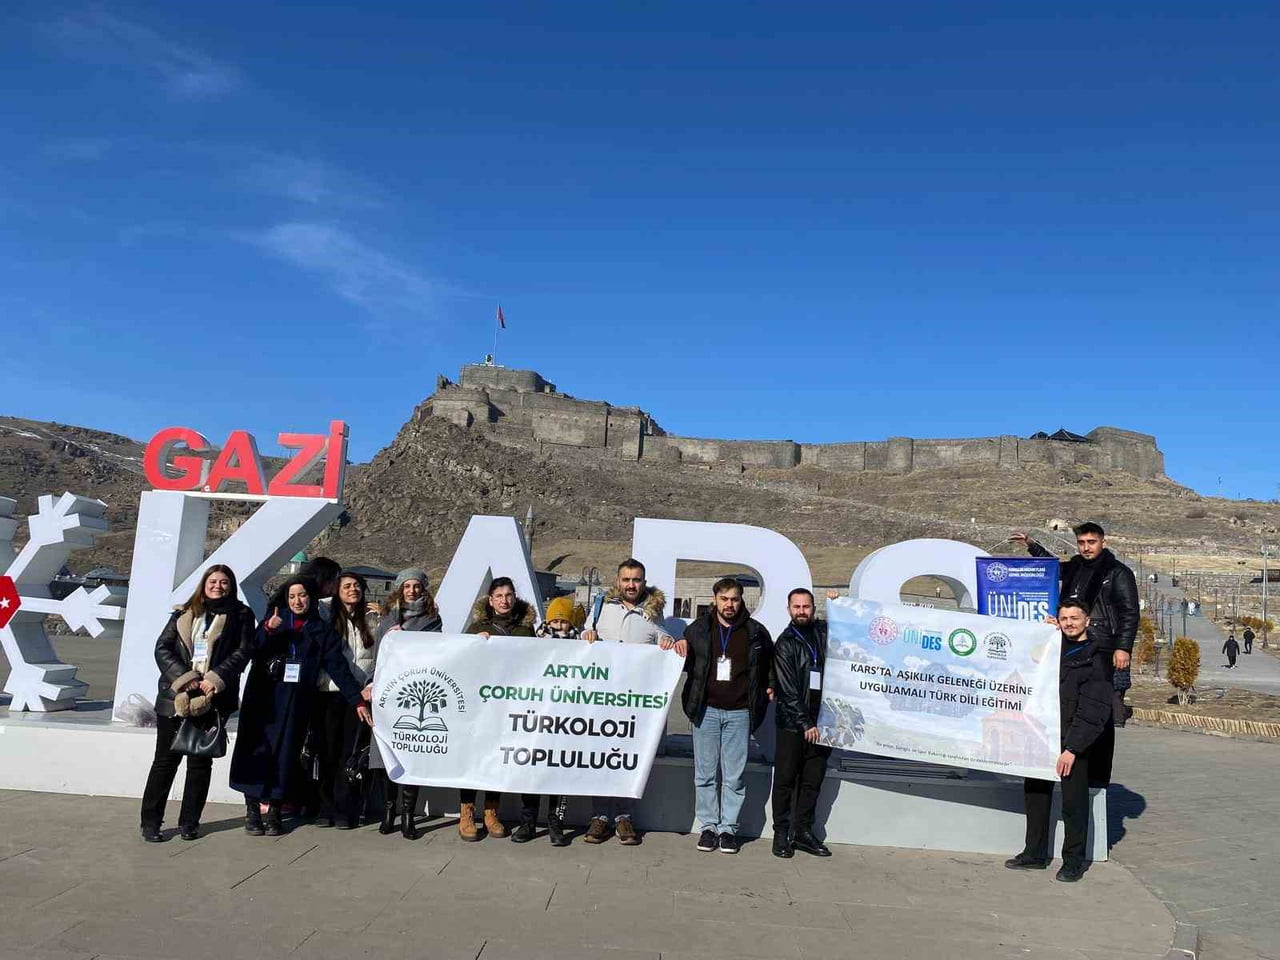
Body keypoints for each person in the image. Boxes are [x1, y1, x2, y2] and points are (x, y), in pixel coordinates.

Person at [230, 576, 371, 836]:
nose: (298, 601)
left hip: (295, 705)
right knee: (256, 753)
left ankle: (274, 810)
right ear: (286, 598)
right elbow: (252, 649)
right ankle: (252, 809)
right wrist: (268, 630)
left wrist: (357, 700)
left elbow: (338, 668)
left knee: (285, 756)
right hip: (265, 702)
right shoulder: (275, 620)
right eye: (293, 596)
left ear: (311, 598)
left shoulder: (320, 629)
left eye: (303, 595)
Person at [1012, 523, 1138, 780]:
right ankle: (1069, 762)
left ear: (1102, 541)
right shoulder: (1076, 567)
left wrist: (1123, 647)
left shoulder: (1117, 572)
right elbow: (1053, 567)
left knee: (1099, 710)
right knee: (1071, 704)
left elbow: (1129, 612)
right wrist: (1032, 546)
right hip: (1071, 644)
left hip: (1103, 646)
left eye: (1091, 542)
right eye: (1081, 542)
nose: (1086, 547)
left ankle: (1098, 778)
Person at [139, 564, 255, 842]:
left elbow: (244, 650)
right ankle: (151, 822)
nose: (218, 586)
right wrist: (185, 677)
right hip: (174, 697)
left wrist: (216, 677)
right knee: (165, 762)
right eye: (213, 581)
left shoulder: (241, 615)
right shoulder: (183, 613)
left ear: (232, 586)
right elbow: (162, 648)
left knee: (200, 763)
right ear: (204, 584)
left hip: (212, 698)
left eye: (224, 582)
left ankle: (190, 822)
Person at [1005, 601, 1113, 882]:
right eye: (1064, 618)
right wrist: (1044, 636)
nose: (1069, 623)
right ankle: (1034, 853)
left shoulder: (1096, 658)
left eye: (1074, 618)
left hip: (1072, 743)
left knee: (1074, 804)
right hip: (1043, 736)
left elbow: (1094, 711)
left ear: (1087, 621)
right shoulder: (1056, 647)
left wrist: (1072, 749)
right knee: (1036, 796)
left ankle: (1073, 861)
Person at [580, 559, 684, 845]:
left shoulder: (652, 612)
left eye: (636, 579)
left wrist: (666, 644)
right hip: (603, 698)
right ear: (618, 580)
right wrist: (587, 635)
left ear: (643, 581)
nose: (631, 585)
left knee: (628, 758)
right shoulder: (601, 607)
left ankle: (624, 817)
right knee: (600, 758)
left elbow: (666, 641)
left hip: (634, 703)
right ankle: (599, 817)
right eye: (626, 579)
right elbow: (585, 636)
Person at [681, 577, 772, 854]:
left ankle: (728, 829)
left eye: (734, 599)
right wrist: (674, 645)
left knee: (734, 776)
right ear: (715, 600)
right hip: (706, 711)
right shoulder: (698, 630)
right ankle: (708, 827)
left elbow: (769, 663)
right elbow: (684, 662)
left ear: (741, 600)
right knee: (705, 774)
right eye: (724, 599)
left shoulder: (756, 632)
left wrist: (771, 684)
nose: (729, 604)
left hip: (740, 712)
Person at [458, 577, 536, 840]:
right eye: (499, 596)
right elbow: (461, 661)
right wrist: (474, 645)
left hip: (510, 704)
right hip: (479, 705)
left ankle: (491, 811)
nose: (505, 600)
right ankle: (467, 812)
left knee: (497, 757)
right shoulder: (477, 627)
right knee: (474, 756)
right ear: (490, 601)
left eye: (509, 595)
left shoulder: (526, 630)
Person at [371, 568, 443, 838]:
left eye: (416, 586)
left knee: (413, 753)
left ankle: (409, 816)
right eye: (407, 586)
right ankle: (390, 812)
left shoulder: (433, 619)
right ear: (400, 589)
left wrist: (409, 639)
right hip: (390, 693)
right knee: (386, 754)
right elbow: (378, 653)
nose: (412, 590)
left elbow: (437, 652)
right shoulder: (388, 617)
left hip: (416, 691)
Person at [513, 596, 586, 847]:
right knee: (532, 770)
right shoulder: (536, 641)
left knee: (559, 772)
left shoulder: (581, 643)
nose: (558, 626)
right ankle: (528, 821)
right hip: (538, 717)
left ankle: (556, 821)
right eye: (554, 620)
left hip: (566, 718)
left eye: (563, 621)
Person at [310, 570, 379, 829]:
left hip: (359, 696)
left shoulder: (373, 619)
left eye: (357, 586)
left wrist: (370, 684)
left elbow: (381, 655)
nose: (353, 590)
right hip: (328, 693)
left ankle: (345, 809)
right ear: (336, 591)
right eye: (347, 586)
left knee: (349, 756)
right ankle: (324, 807)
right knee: (325, 752)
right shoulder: (326, 615)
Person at [769, 588, 832, 859]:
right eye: (797, 607)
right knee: (785, 780)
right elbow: (787, 689)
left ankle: (804, 832)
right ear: (789, 609)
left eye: (806, 606)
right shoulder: (785, 643)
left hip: (824, 722)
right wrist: (806, 723)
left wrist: (838, 604)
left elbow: (851, 626)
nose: (802, 611)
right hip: (793, 725)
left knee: (812, 781)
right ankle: (781, 834)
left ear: (813, 608)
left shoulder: (822, 633)